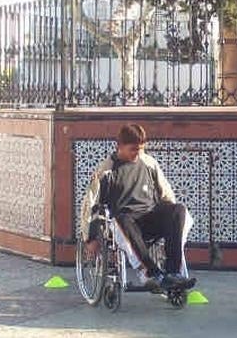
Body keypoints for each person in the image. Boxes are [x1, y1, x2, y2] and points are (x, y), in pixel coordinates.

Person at [79, 124, 195, 290]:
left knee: (178, 210)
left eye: (141, 149)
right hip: (124, 223)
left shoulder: (148, 163)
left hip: (148, 217)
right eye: (133, 149)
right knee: (122, 219)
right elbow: (90, 204)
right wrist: (89, 238)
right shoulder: (106, 171)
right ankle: (151, 273)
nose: (137, 153)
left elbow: (166, 194)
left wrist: (171, 217)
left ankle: (173, 273)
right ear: (119, 146)